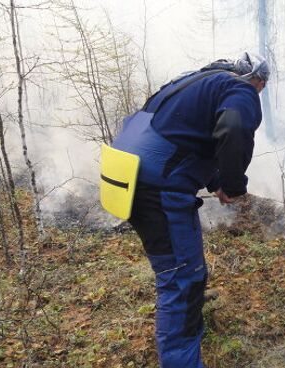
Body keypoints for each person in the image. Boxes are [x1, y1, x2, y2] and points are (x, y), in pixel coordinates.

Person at [111, 52, 269, 367]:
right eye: (260, 88)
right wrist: (234, 186)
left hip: (125, 173)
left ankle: (191, 312)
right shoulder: (241, 90)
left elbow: (186, 138)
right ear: (259, 81)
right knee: (181, 281)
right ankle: (182, 354)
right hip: (156, 188)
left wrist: (216, 183)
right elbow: (234, 127)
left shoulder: (194, 80)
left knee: (187, 270)